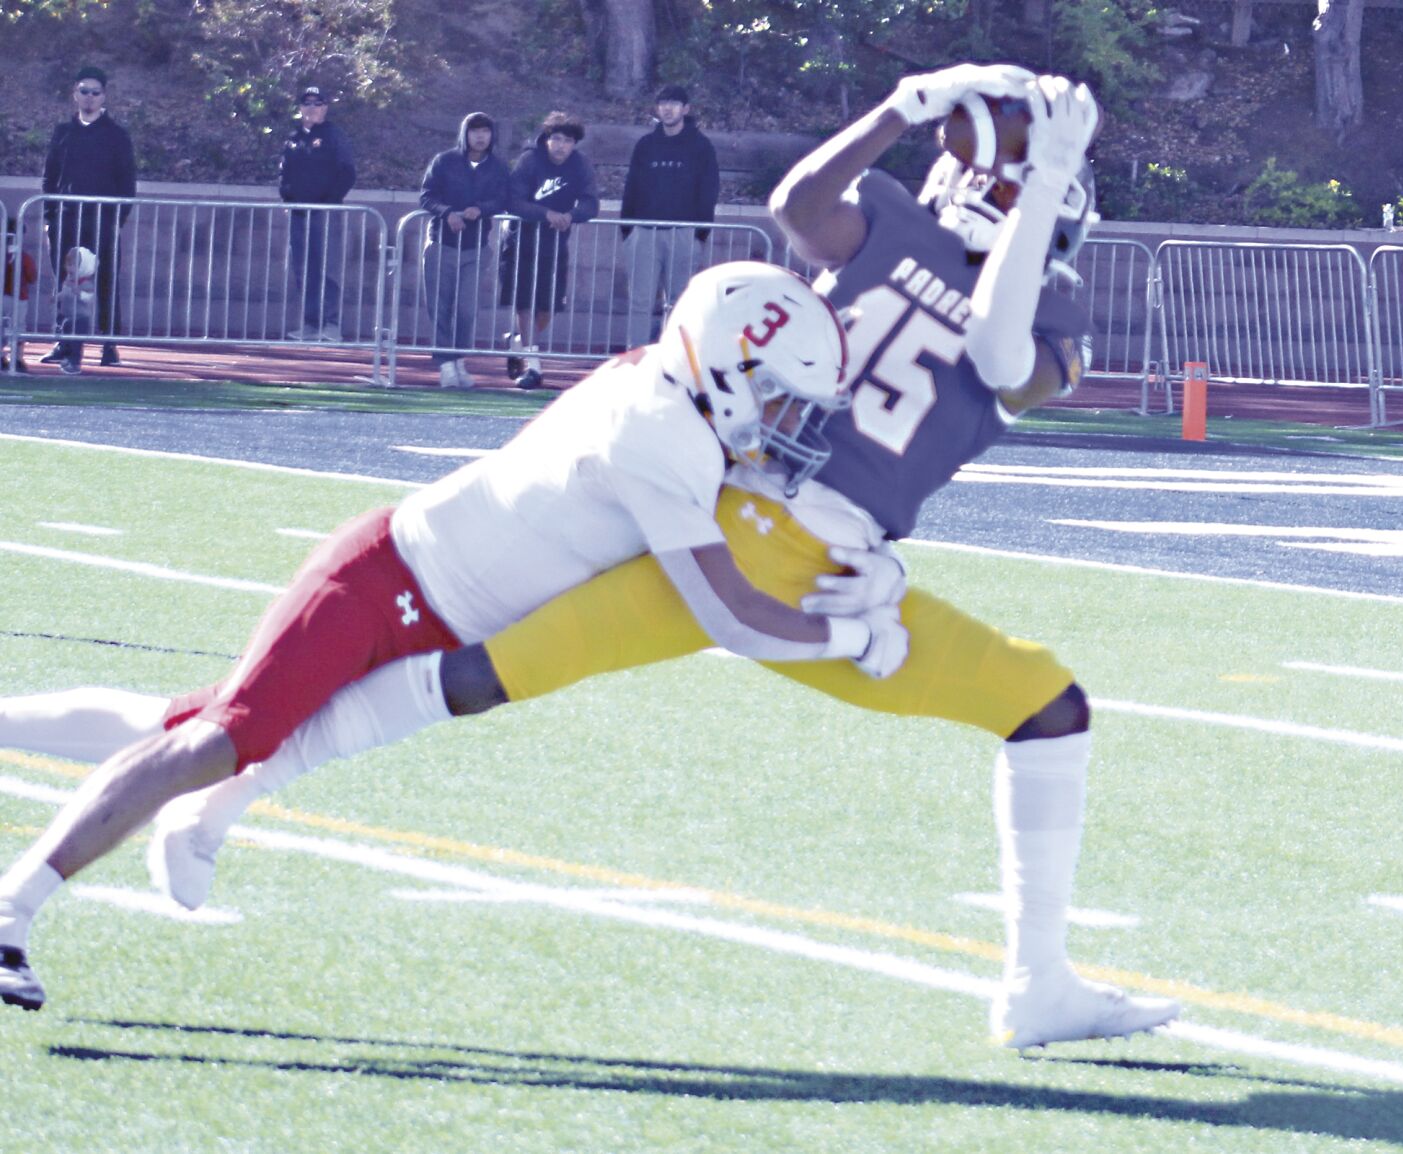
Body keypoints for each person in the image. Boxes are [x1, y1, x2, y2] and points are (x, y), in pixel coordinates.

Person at [2, 66, 1181, 1051]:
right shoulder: (905, 269)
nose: (991, 179)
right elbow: (836, 238)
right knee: (1045, 703)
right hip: (763, 539)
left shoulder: (1036, 298)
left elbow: (996, 334)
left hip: (749, 527)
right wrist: (864, 619)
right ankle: (1036, 981)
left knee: (443, 680)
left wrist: (963, 156)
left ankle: (219, 799)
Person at [0, 261, 907, 1014]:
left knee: (193, 723)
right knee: (224, 738)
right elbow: (731, 614)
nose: (788, 422)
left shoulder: (671, 390)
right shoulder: (659, 431)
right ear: (726, 366)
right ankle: (13, 910)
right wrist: (850, 636)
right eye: (778, 396)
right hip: (384, 582)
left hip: (433, 609)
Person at [39, 65, 136, 373]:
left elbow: (127, 182)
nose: (89, 98)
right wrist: (49, 217)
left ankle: (109, 344)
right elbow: (50, 176)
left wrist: (116, 219)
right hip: (66, 218)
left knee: (106, 280)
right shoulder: (63, 133)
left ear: (104, 96)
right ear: (75, 94)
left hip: (102, 219)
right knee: (67, 284)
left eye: (95, 92)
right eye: (84, 91)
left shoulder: (116, 136)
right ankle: (63, 341)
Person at [500, 111, 598, 390]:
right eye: (556, 139)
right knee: (525, 303)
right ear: (546, 139)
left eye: (567, 141)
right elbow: (513, 200)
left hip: (555, 245)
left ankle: (518, 342)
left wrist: (572, 215)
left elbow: (591, 204)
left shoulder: (580, 165)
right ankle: (534, 366)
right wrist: (546, 214)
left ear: (574, 144)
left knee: (550, 305)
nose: (561, 146)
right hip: (521, 241)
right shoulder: (530, 160)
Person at [620, 84, 721, 349]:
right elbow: (631, 187)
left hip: (684, 233)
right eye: (663, 102)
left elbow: (708, 191)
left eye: (674, 103)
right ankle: (636, 359)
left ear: (685, 109)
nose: (668, 108)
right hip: (644, 232)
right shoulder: (646, 145)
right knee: (640, 301)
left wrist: (700, 234)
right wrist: (628, 230)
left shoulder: (701, 146)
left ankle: (675, 357)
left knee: (679, 301)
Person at [419, 112, 509, 389]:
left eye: (485, 131)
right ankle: (446, 364)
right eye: (474, 131)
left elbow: (505, 199)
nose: (480, 136)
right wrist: (447, 213)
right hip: (441, 245)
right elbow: (426, 196)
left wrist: (481, 210)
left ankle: (459, 359)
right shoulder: (444, 161)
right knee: (440, 308)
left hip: (476, 248)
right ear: (464, 134)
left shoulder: (497, 167)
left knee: (467, 309)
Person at [279, 85, 357, 343]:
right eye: (307, 103)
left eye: (317, 103)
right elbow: (285, 172)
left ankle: (331, 323)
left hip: (325, 211)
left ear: (325, 107)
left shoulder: (334, 135)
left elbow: (347, 171)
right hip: (299, 212)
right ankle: (311, 324)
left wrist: (330, 200)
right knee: (304, 270)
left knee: (328, 268)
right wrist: (287, 196)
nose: (311, 108)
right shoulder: (293, 138)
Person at [48, 246, 98, 377]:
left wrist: (80, 293)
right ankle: (65, 355)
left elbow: (90, 298)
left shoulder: (86, 283)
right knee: (66, 336)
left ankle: (75, 363)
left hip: (81, 318)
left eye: (73, 265)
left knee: (76, 342)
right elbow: (64, 292)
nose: (69, 268)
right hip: (68, 317)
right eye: (68, 265)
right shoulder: (69, 280)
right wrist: (56, 297)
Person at [1, 215, 39, 373]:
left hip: (10, 297)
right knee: (17, 328)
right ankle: (16, 358)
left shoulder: (21, 257)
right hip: (18, 298)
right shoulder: (24, 258)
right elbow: (32, 278)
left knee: (5, 327)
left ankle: (10, 357)